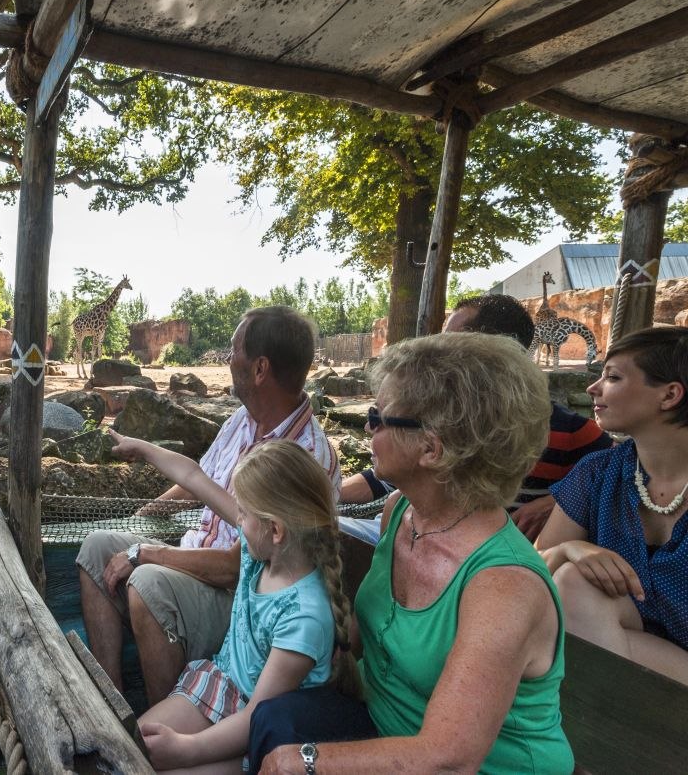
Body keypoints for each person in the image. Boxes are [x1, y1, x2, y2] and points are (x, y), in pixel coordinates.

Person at [251, 332, 574, 775]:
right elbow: (363, 637)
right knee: (274, 717)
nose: (368, 427)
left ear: (431, 448)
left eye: (378, 418)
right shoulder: (400, 511)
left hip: (477, 767)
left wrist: (304, 761)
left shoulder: (504, 587)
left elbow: (448, 759)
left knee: (285, 747)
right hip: (387, 727)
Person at [77, 306, 340, 706]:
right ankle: (111, 705)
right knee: (97, 547)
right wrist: (148, 510)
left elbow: (238, 567)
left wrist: (148, 553)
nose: (228, 358)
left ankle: (164, 722)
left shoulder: (303, 459)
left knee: (148, 584)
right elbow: (200, 478)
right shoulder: (244, 419)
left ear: (260, 368)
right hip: (192, 554)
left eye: (234, 350)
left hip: (242, 599)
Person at [108, 433, 359, 774]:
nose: (237, 520)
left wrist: (185, 749)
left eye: (242, 513)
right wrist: (143, 449)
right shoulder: (262, 552)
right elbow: (194, 478)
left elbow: (258, 713)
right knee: (128, 753)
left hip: (253, 730)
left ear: (275, 529)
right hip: (219, 686)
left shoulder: (304, 616)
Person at [339, 293, 610, 541]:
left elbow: (623, 481)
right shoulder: (436, 418)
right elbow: (384, 475)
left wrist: (560, 502)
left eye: (451, 342)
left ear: (496, 353)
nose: (436, 349)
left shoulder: (571, 433)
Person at [537, 326, 688, 685]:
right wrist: (571, 548)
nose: (592, 388)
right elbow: (531, 570)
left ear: (669, 395)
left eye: (613, 377)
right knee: (573, 579)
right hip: (623, 650)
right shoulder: (600, 472)